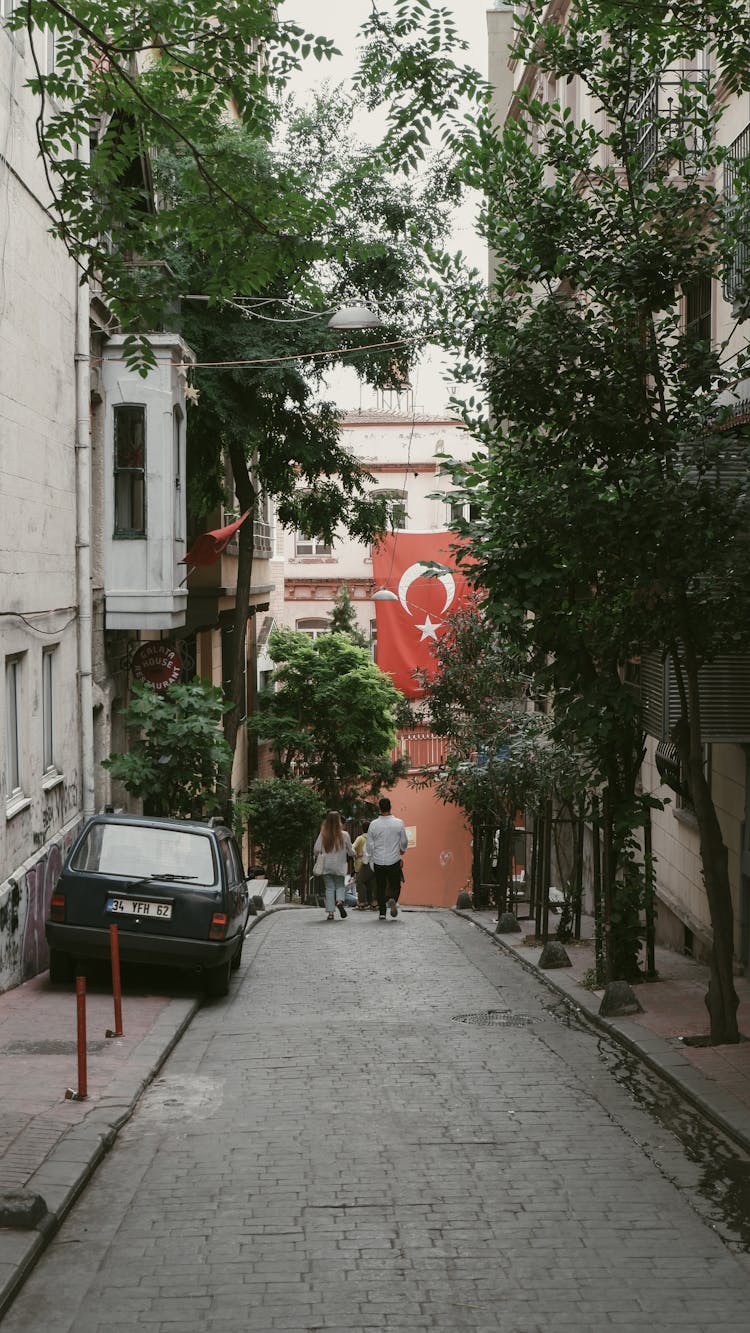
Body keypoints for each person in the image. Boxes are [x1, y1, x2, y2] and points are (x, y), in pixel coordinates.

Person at [364, 797, 408, 920]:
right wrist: (402, 850)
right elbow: (404, 841)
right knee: (395, 885)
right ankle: (393, 898)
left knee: (380, 886)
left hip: (378, 861)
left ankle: (382, 913)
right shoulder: (399, 823)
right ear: (390, 807)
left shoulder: (373, 824)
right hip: (393, 859)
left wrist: (370, 855)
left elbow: (369, 844)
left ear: (380, 808)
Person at [313, 811, 355, 922]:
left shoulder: (323, 834)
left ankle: (330, 913)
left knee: (329, 888)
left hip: (326, 866)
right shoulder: (344, 835)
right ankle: (340, 901)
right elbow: (351, 851)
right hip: (340, 866)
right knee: (340, 885)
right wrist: (353, 854)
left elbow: (316, 849)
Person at [352, 820, 376, 910]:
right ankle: (371, 903)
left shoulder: (360, 838)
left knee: (360, 883)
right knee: (370, 884)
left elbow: (352, 847)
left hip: (360, 864)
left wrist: (356, 855)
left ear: (362, 829)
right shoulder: (372, 838)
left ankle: (362, 902)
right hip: (371, 864)